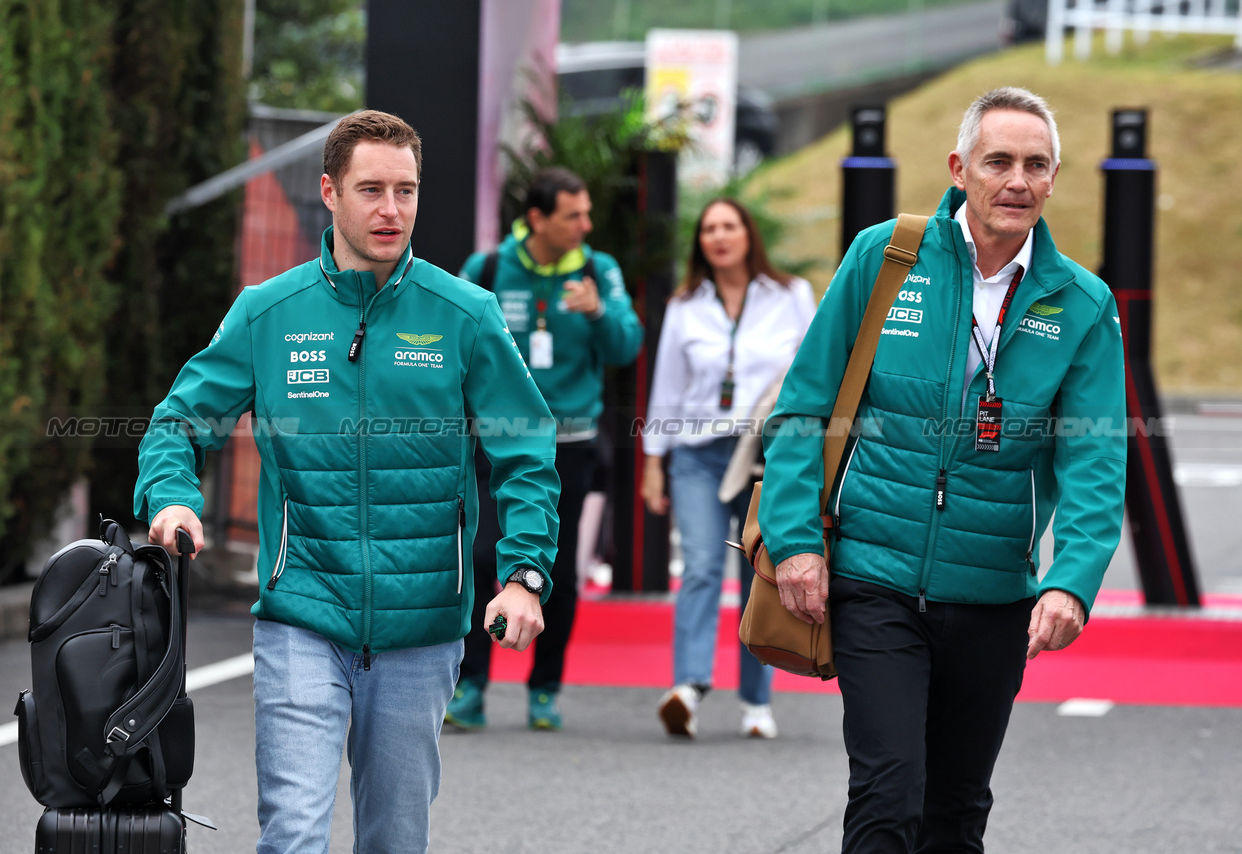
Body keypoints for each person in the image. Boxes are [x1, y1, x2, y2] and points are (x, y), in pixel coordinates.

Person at [133, 110, 560, 854]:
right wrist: (171, 496)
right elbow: (179, 422)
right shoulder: (267, 312)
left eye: (406, 190)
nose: (391, 209)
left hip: (422, 626)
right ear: (329, 192)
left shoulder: (467, 315)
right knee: (292, 835)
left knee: (393, 841)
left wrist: (524, 574)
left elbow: (526, 452)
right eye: (371, 189)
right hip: (302, 613)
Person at [760, 87, 1126, 852]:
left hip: (994, 595)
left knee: (956, 816)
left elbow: (1096, 456)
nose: (1017, 180)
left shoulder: (1082, 304)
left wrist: (1072, 581)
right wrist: (795, 540)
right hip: (875, 577)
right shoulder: (886, 256)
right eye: (999, 161)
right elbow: (805, 406)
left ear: (1054, 178)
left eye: (1036, 164)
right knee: (889, 792)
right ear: (961, 169)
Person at [449, 167, 643, 731]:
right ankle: (473, 685)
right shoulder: (488, 268)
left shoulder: (598, 270)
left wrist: (600, 314)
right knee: (482, 556)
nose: (585, 224)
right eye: (573, 215)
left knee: (553, 563)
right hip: (495, 443)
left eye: (587, 214)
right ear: (537, 219)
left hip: (571, 443)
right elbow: (457, 339)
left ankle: (545, 687)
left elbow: (627, 345)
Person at [641, 198, 816, 739]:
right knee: (699, 568)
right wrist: (653, 462)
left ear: (747, 234)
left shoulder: (790, 296)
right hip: (696, 454)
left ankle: (757, 701)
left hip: (765, 456)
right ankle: (689, 687)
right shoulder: (685, 305)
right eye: (709, 229)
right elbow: (667, 387)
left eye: (729, 226)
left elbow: (815, 376)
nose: (719, 236)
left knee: (759, 575)